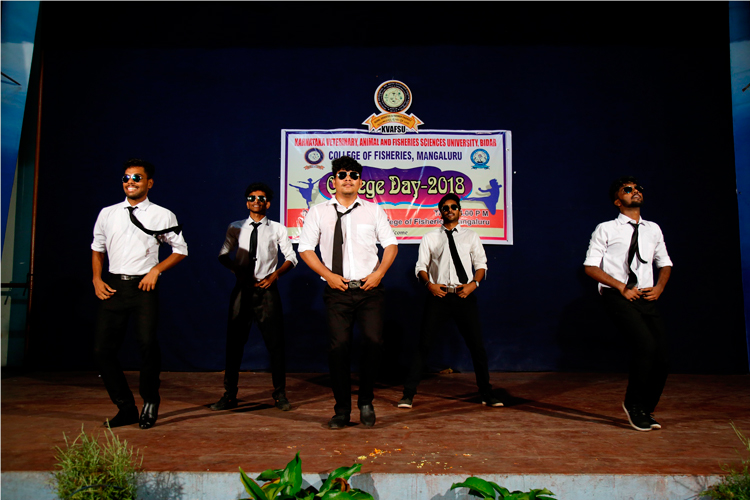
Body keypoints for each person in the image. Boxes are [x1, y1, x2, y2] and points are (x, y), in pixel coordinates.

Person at [298, 155, 398, 429]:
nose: (348, 179)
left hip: (369, 289)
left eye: (354, 175)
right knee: (338, 348)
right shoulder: (318, 212)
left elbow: (391, 245)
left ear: (360, 182)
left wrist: (379, 274)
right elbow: (305, 249)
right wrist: (328, 275)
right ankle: (341, 410)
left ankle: (365, 400)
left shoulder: (373, 211)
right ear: (334, 180)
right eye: (342, 174)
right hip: (337, 291)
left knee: (374, 342)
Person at [91, 158, 188, 429]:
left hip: (143, 287)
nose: (130, 182)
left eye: (136, 178)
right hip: (113, 287)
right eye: (126, 178)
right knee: (101, 351)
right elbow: (97, 248)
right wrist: (96, 279)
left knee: (146, 345)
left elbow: (181, 250)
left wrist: (156, 270)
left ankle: (150, 400)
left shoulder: (162, 214)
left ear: (149, 183)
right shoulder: (108, 213)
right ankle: (125, 408)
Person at [583, 176, 673, 432]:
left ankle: (646, 407)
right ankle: (633, 405)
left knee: (663, 356)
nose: (635, 191)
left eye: (638, 188)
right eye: (628, 189)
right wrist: (622, 287)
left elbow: (665, 262)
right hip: (617, 294)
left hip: (645, 295)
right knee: (645, 345)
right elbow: (590, 267)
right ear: (617, 201)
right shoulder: (606, 228)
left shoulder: (653, 229)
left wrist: (659, 287)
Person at [399, 193, 502, 409]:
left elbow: (481, 264)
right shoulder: (430, 237)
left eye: (453, 206)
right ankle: (408, 395)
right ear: (440, 212)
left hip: (464, 295)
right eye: (445, 208)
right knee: (424, 345)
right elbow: (421, 267)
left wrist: (474, 284)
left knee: (477, 347)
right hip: (439, 296)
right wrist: (429, 285)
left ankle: (487, 393)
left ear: (460, 211)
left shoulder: (471, 236)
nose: (449, 210)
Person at [210, 182, 297, 412]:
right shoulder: (235, 227)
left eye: (261, 198)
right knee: (234, 345)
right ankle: (229, 395)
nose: (256, 201)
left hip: (267, 291)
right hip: (242, 290)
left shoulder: (277, 228)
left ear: (268, 203)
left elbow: (291, 257)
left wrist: (275, 275)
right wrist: (236, 269)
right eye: (251, 197)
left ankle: (280, 395)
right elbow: (223, 254)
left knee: (276, 345)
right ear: (246, 202)